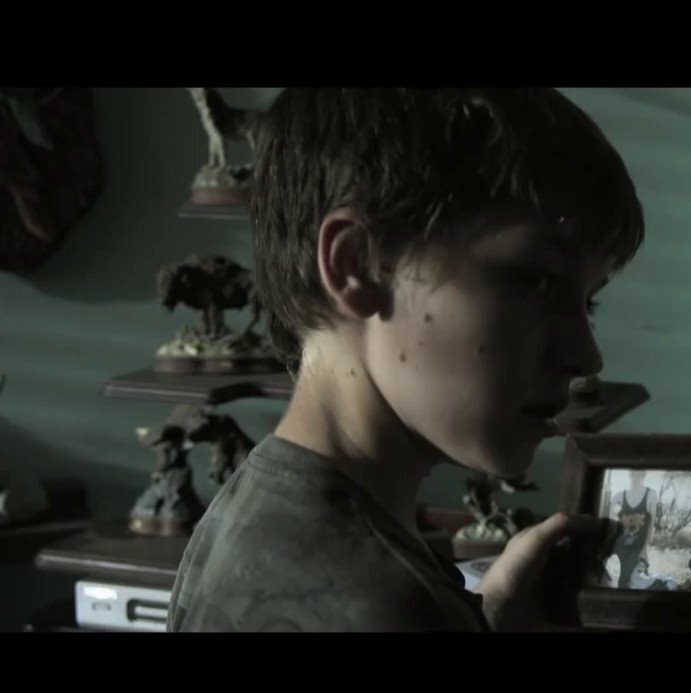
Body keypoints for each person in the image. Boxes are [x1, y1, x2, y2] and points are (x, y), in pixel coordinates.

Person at [167, 88, 644, 632]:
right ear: (358, 265)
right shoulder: (382, 608)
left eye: (588, 302)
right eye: (535, 280)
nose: (586, 356)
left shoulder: (243, 515)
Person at [608, 469, 656, 589]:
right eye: (634, 473)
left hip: (638, 547)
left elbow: (651, 524)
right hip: (623, 546)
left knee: (639, 580)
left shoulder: (650, 494)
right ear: (630, 474)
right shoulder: (620, 496)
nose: (636, 477)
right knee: (624, 580)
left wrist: (644, 549)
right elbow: (609, 516)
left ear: (643, 475)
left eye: (639, 474)